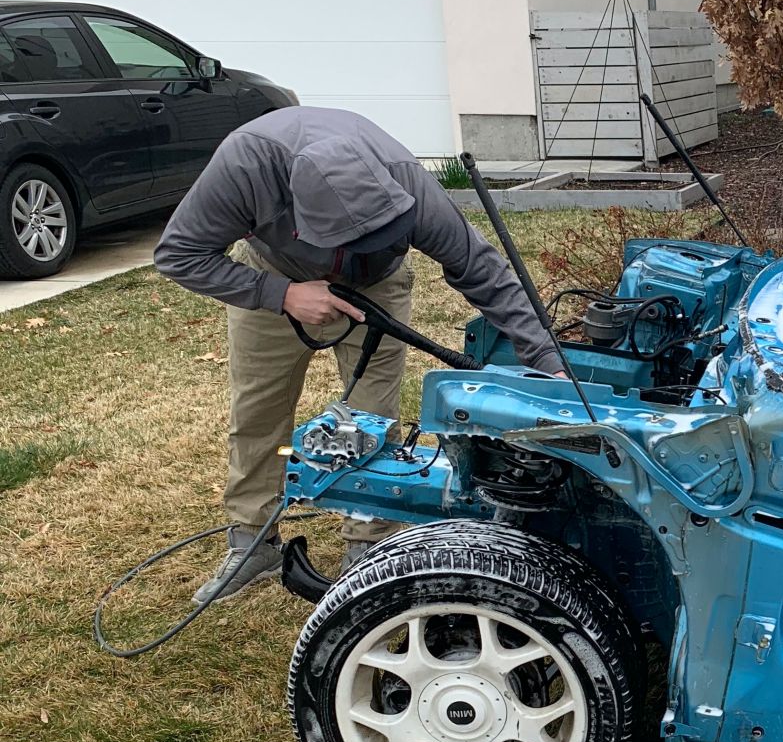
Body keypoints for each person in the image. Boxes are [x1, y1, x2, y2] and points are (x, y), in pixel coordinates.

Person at [154, 106, 565, 604]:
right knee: (257, 414)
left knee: (371, 418)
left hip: (379, 287)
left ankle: (367, 552)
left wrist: (551, 366)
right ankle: (252, 542)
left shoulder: (407, 183)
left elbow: (483, 272)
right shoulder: (245, 167)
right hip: (276, 275)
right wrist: (281, 293)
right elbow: (178, 254)